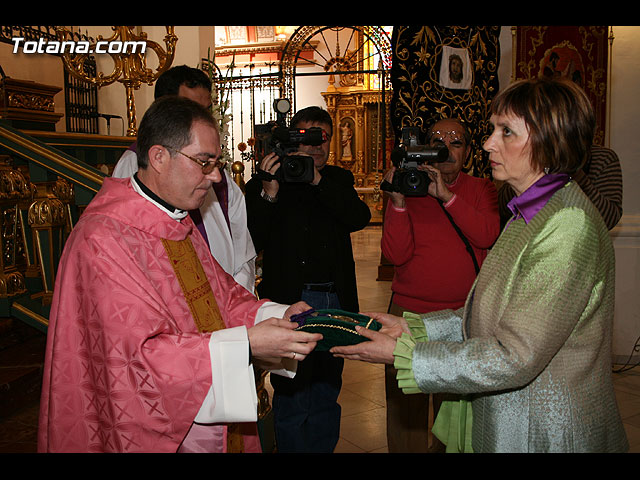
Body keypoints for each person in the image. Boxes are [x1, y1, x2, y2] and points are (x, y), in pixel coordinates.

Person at [331, 77, 629, 453]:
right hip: (514, 416)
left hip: (544, 430)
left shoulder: (567, 223)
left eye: (506, 132)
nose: (489, 143)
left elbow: (514, 355)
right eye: (492, 130)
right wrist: (415, 326)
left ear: (548, 140)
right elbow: (489, 310)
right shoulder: (530, 212)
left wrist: (405, 354)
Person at [38, 96, 323, 453]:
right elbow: (136, 364)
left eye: (216, 163)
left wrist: (277, 316)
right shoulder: (102, 240)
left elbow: (222, 298)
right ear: (158, 157)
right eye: (204, 163)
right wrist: (247, 345)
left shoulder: (175, 221)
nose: (216, 176)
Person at [245, 106, 371, 453]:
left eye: (322, 138)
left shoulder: (338, 180)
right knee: (292, 390)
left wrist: (317, 180)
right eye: (305, 138)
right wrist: (269, 192)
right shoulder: (266, 181)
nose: (314, 147)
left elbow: (358, 217)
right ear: (289, 142)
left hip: (333, 299)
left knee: (327, 391)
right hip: (290, 301)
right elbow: (252, 239)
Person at [381, 118, 500, 452]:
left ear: (468, 152)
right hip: (408, 313)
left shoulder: (481, 189)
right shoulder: (409, 184)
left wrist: (446, 195)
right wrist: (399, 203)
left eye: (456, 141)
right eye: (437, 140)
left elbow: (487, 233)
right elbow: (395, 255)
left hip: (461, 317)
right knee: (406, 411)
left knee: (455, 414)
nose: (447, 147)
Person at [113, 65, 257, 293]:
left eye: (206, 110)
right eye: (191, 109)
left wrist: (238, 294)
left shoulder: (215, 170)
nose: (204, 119)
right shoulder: (135, 164)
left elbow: (241, 240)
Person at [498, 145, 623, 230]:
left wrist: (575, 172)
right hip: (532, 249)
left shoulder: (602, 158)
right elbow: (502, 209)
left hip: (582, 255)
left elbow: (609, 219)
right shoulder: (534, 154)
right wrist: (529, 172)